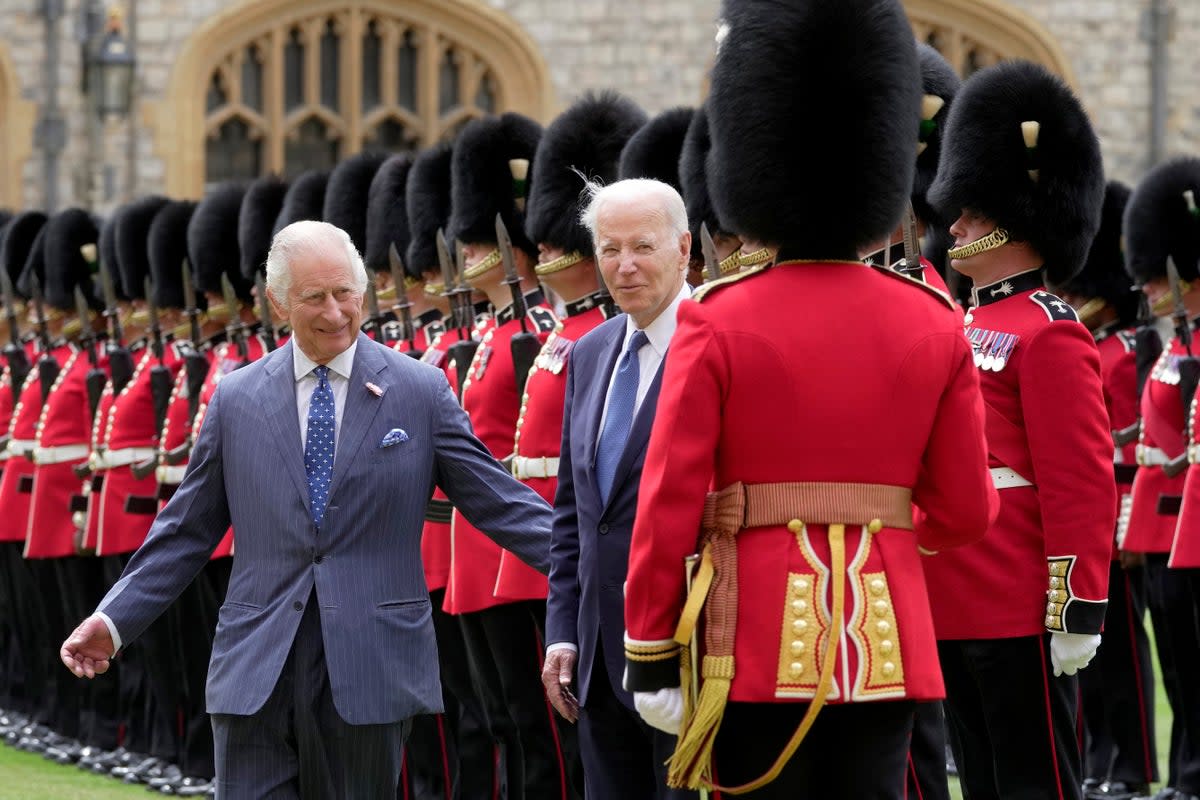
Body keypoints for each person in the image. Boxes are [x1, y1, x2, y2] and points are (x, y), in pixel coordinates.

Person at [620, 2, 997, 798]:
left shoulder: (718, 318)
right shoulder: (932, 320)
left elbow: (669, 499)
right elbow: (966, 511)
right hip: (885, 634)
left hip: (750, 634)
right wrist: (886, 529)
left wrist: (651, 646)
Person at [59, 219, 554, 797]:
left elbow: (499, 502)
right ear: (277, 302)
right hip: (255, 666)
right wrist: (114, 619)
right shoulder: (237, 397)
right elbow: (185, 530)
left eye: (345, 292)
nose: (336, 312)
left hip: (370, 664)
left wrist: (598, 569)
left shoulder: (420, 390)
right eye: (314, 297)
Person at [922, 59, 1115, 800]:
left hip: (1016, 591)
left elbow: (1078, 479)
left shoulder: (1050, 330)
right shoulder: (964, 322)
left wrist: (1075, 605)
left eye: (972, 214)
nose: (957, 225)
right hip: (954, 581)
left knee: (1034, 777)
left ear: (1018, 218)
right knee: (979, 771)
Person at [542, 176, 695, 799]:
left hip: (690, 648)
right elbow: (575, 513)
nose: (624, 267)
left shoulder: (718, 342)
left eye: (642, 247)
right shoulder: (591, 351)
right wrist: (561, 631)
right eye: (609, 249)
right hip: (601, 655)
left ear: (684, 249)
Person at [1055, 180, 1159, 800]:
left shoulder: (1131, 345)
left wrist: (1125, 523)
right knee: (1089, 653)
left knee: (1122, 650)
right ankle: (1098, 759)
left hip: (1122, 512)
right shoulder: (1091, 343)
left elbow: (1131, 434)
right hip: (1097, 510)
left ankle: (1134, 765)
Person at [1124, 156, 1200, 800]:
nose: (1147, 286)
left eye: (1159, 275)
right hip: (1162, 523)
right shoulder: (1176, 345)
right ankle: (1185, 777)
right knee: (1177, 663)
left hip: (1191, 522)